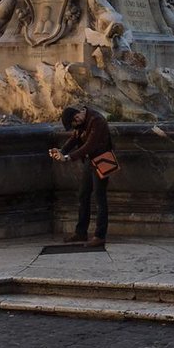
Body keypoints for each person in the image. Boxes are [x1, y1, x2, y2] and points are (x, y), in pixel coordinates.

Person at [50, 105, 114, 248]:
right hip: (90, 161)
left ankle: (99, 235)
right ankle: (81, 232)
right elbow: (74, 139)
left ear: (77, 116)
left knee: (100, 197)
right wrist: (61, 151)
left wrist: (67, 157)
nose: (75, 126)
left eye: (74, 123)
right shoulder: (82, 122)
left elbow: (89, 146)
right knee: (83, 195)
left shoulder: (96, 120)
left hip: (103, 160)